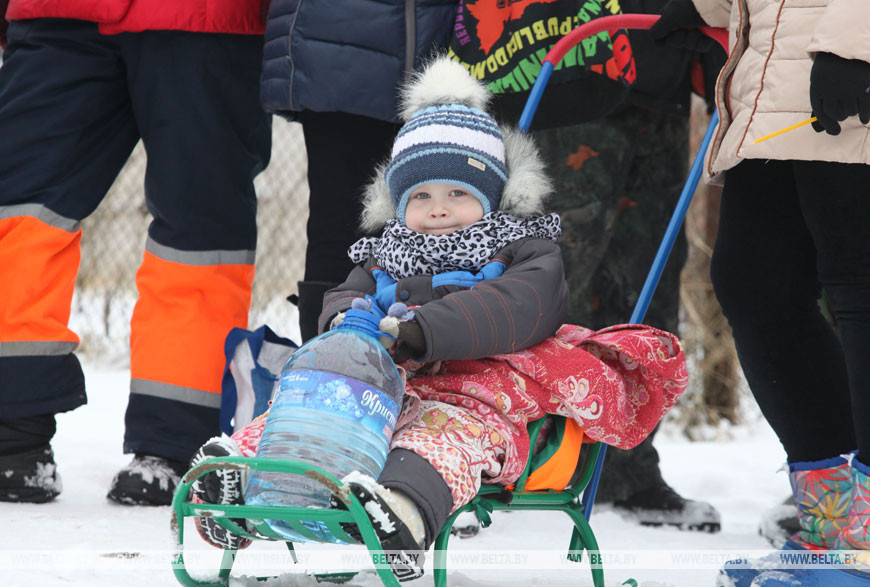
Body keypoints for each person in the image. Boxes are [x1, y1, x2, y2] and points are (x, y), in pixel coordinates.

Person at [187, 57, 689, 580]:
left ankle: (402, 517)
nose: (438, 209)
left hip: (477, 392)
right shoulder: (385, 251)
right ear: (399, 203)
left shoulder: (523, 249)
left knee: (436, 439)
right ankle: (237, 490)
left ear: (491, 199)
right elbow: (342, 296)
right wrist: (346, 324)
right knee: (304, 414)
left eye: (458, 194)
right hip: (382, 388)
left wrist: (422, 331)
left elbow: (519, 305)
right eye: (420, 196)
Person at [448, 0, 725, 533]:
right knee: (547, 281)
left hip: (662, 75)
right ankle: (487, 461)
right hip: (570, 69)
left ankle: (627, 469)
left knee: (649, 281)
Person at [0, 0, 272, 505]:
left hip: (206, 18)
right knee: (16, 212)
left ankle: (173, 444)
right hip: (58, 14)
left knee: (200, 235)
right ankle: (10, 433)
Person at [651, 0, 870, 585]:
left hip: (849, 83)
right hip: (769, 92)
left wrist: (858, 41)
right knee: (756, 286)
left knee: (859, 291)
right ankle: (843, 524)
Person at [259, 0, 459, 342]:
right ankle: (329, 367)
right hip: (342, 50)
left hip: (437, 51)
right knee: (344, 229)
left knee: (445, 228)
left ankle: (402, 368)